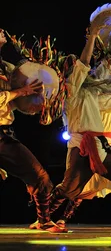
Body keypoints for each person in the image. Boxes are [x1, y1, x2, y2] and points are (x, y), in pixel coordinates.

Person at [45, 24, 111, 230]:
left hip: (100, 145)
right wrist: (93, 38)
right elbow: (84, 63)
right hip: (81, 145)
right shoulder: (71, 91)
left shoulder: (92, 94)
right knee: (69, 190)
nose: (85, 72)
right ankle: (44, 219)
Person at [0, 28, 65, 233]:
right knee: (39, 176)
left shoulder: (7, 68)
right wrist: (20, 91)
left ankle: (43, 220)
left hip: (4, 133)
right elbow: (16, 93)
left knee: (38, 177)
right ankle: (44, 221)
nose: (2, 31)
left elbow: (22, 96)